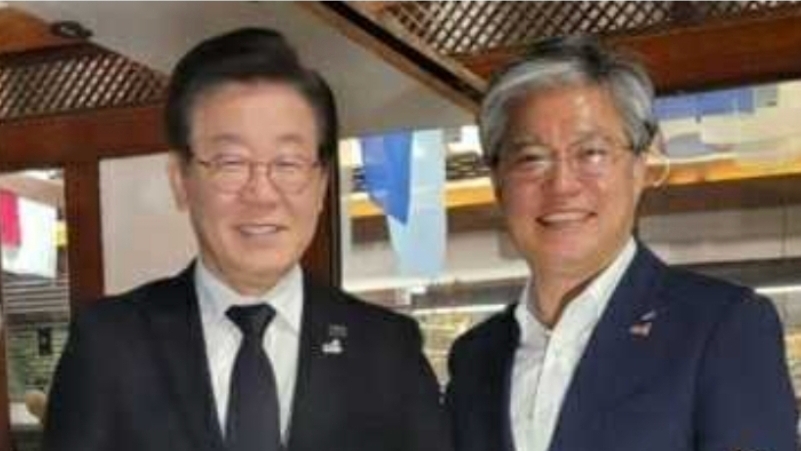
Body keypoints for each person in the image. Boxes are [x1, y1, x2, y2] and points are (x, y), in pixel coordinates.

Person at [43, 27, 450, 451]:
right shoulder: (109, 344)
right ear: (181, 180)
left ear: (321, 184)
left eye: (288, 163)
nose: (261, 193)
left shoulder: (387, 350)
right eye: (231, 162)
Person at [446, 36, 798, 451]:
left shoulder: (720, 328)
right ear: (497, 182)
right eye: (531, 158)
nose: (562, 185)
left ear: (638, 169)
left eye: (591, 153)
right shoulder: (475, 357)